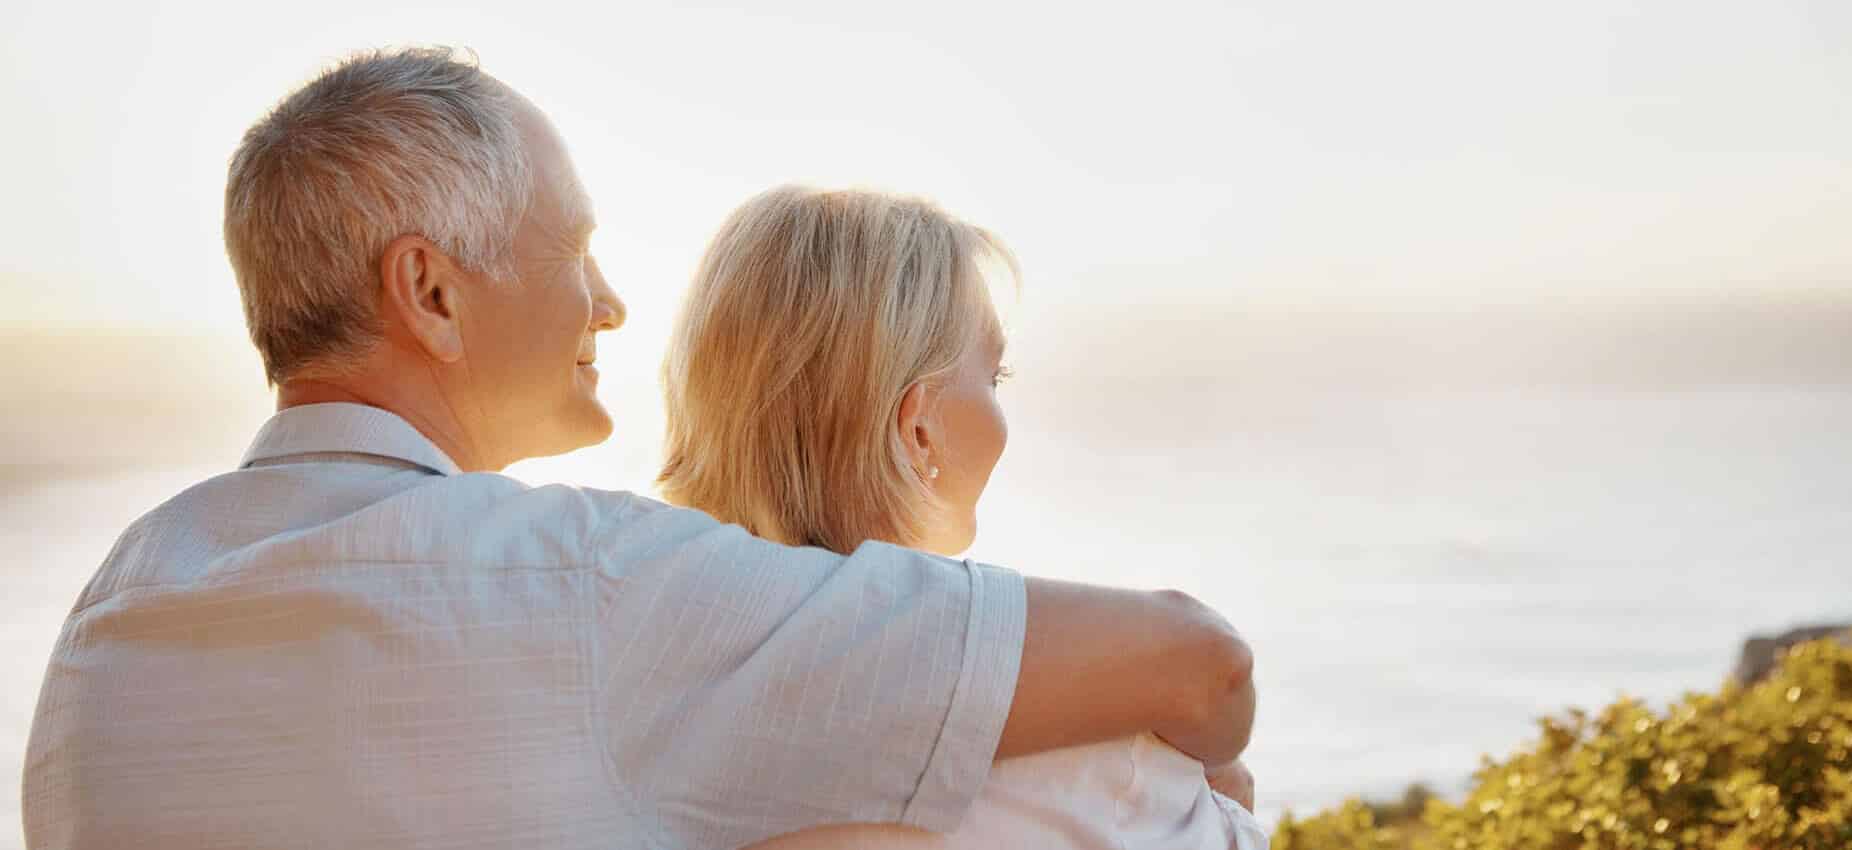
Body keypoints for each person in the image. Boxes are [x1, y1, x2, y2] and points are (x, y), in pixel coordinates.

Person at [19, 47, 1254, 850]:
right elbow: (1194, 662)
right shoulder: (581, 586)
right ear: (431, 294)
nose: (608, 303)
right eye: (575, 251)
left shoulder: (110, 616)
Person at [656, 186, 1267, 849]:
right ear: (917, 431)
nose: (1001, 407)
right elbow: (1216, 674)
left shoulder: (637, 700)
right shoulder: (1097, 767)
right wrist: (1216, 794)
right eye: (995, 377)